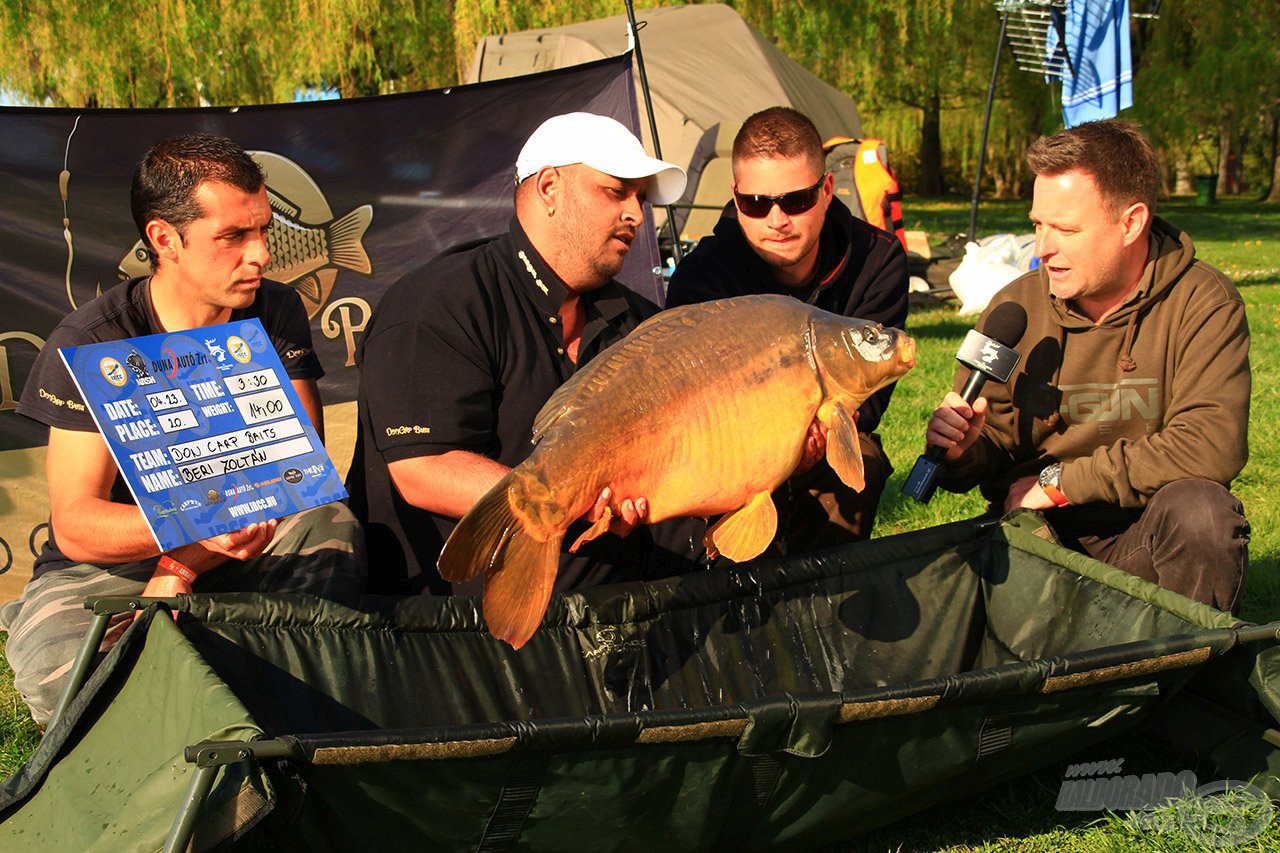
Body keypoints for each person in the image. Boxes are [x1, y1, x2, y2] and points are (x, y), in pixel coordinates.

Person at [1, 134, 365, 724]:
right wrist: (185, 543)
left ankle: (276, 701)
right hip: (119, 562)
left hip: (249, 533)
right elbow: (75, 525)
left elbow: (298, 475)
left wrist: (187, 562)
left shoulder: (275, 311)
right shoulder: (93, 340)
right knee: (58, 673)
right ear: (164, 239)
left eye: (263, 231)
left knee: (331, 527)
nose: (262, 256)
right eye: (233, 237)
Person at [348, 112, 704, 595]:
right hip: (463, 636)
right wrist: (578, 502)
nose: (637, 215)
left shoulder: (640, 321)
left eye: (640, 198)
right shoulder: (441, 301)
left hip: (639, 610)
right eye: (617, 191)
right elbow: (423, 469)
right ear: (550, 188)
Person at [925, 119, 1249, 613]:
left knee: (1203, 514)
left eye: (1066, 229)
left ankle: (1179, 679)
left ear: (1131, 223)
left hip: (1151, 533)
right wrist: (962, 450)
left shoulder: (1202, 301)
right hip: (1039, 539)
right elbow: (992, 451)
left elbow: (1211, 446)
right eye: (1038, 224)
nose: (1042, 249)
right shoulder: (1013, 309)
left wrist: (1062, 484)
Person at [666, 106, 909, 550]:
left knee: (863, 461)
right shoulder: (702, 277)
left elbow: (866, 408)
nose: (776, 220)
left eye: (796, 201)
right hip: (726, 443)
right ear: (736, 196)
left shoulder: (878, 260)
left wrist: (802, 445)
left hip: (829, 435)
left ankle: (821, 594)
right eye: (756, 204)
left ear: (828, 190)